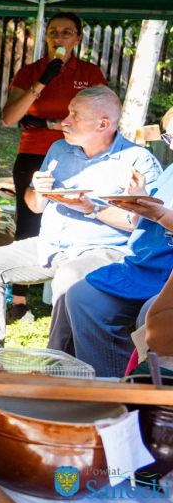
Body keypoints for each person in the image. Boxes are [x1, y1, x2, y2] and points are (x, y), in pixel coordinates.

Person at [0, 87, 160, 349]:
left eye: (75, 115)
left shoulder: (137, 161)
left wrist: (92, 209)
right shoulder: (59, 149)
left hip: (103, 251)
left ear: (103, 124)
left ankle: (58, 360)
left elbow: (143, 224)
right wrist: (39, 190)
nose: (64, 121)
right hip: (51, 245)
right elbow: (34, 206)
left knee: (69, 276)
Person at [0, 13, 107, 318]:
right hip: (34, 154)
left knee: (77, 215)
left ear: (78, 38)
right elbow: (10, 117)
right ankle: (19, 299)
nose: (58, 38)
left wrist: (46, 122)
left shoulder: (90, 72)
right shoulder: (31, 72)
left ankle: (72, 286)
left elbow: (101, 115)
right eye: (53, 32)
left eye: (66, 32)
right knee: (29, 220)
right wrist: (43, 81)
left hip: (78, 156)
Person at [67, 107, 173, 376]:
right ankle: (108, 380)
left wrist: (159, 214)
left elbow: (162, 215)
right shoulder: (170, 170)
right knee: (82, 296)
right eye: (169, 138)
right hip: (144, 264)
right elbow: (140, 223)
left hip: (168, 272)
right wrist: (139, 198)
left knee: (152, 313)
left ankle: (145, 385)